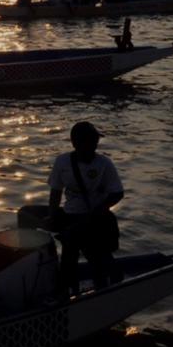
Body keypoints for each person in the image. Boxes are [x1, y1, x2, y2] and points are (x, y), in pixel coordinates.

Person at [48, 122, 124, 295]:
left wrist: (98, 211)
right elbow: (55, 192)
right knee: (68, 261)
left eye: (95, 143)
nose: (93, 147)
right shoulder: (62, 162)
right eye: (89, 143)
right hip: (71, 217)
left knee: (98, 260)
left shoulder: (104, 163)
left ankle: (103, 292)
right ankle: (66, 295)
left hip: (95, 220)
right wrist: (51, 217)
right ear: (75, 144)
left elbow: (117, 193)